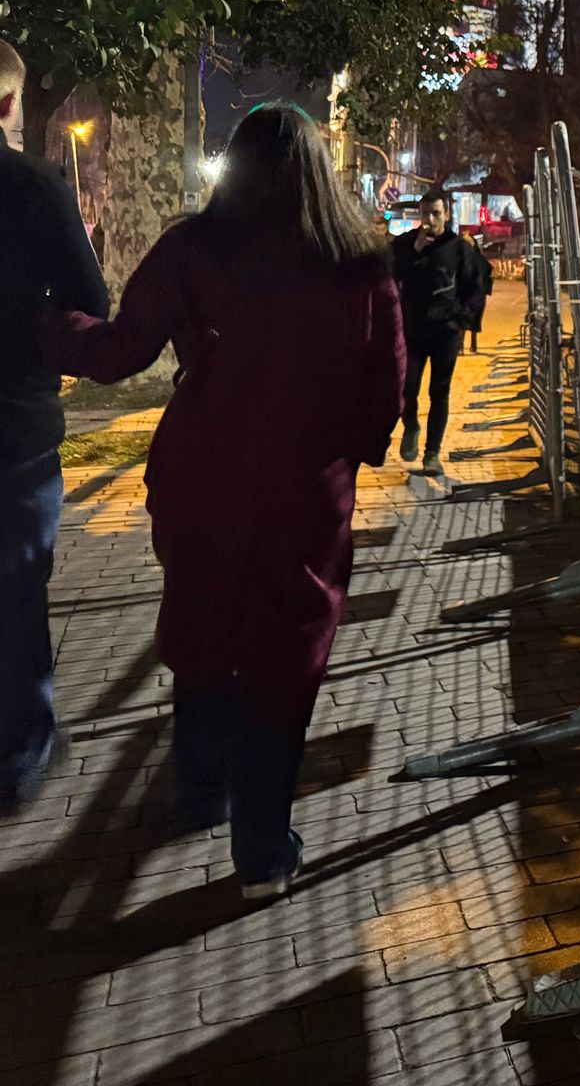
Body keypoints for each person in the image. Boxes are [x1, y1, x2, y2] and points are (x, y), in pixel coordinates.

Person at [43, 104, 403, 896]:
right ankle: (263, 851)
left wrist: (44, 325)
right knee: (287, 653)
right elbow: (386, 388)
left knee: (201, 623)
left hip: (202, 477)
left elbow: (118, 351)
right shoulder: (360, 264)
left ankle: (201, 791)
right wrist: (346, 453)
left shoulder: (191, 248)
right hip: (305, 494)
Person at [0, 39, 109, 814]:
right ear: (9, 101)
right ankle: (19, 751)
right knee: (14, 589)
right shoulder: (35, 186)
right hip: (15, 424)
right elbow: (90, 301)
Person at [391, 187, 487, 475]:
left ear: (446, 215)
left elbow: (476, 287)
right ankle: (411, 426)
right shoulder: (404, 244)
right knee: (407, 387)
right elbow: (391, 277)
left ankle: (432, 454)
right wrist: (415, 252)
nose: (430, 220)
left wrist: (461, 322)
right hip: (413, 330)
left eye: (436, 214)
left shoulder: (458, 249)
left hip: (445, 332)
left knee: (439, 392)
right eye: (426, 214)